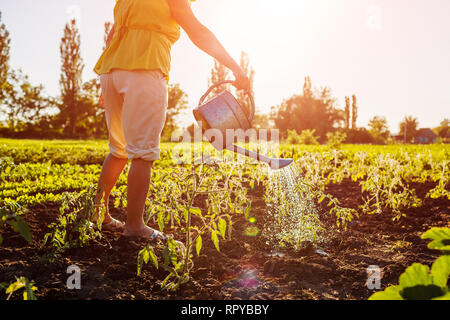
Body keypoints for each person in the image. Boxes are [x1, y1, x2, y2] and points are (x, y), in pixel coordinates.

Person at [93, 0, 250, 240]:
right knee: (143, 153)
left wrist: (108, 81)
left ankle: (97, 215)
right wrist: (235, 67)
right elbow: (197, 32)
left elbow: (112, 34)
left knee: (119, 149)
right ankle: (134, 225)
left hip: (111, 70)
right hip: (145, 66)